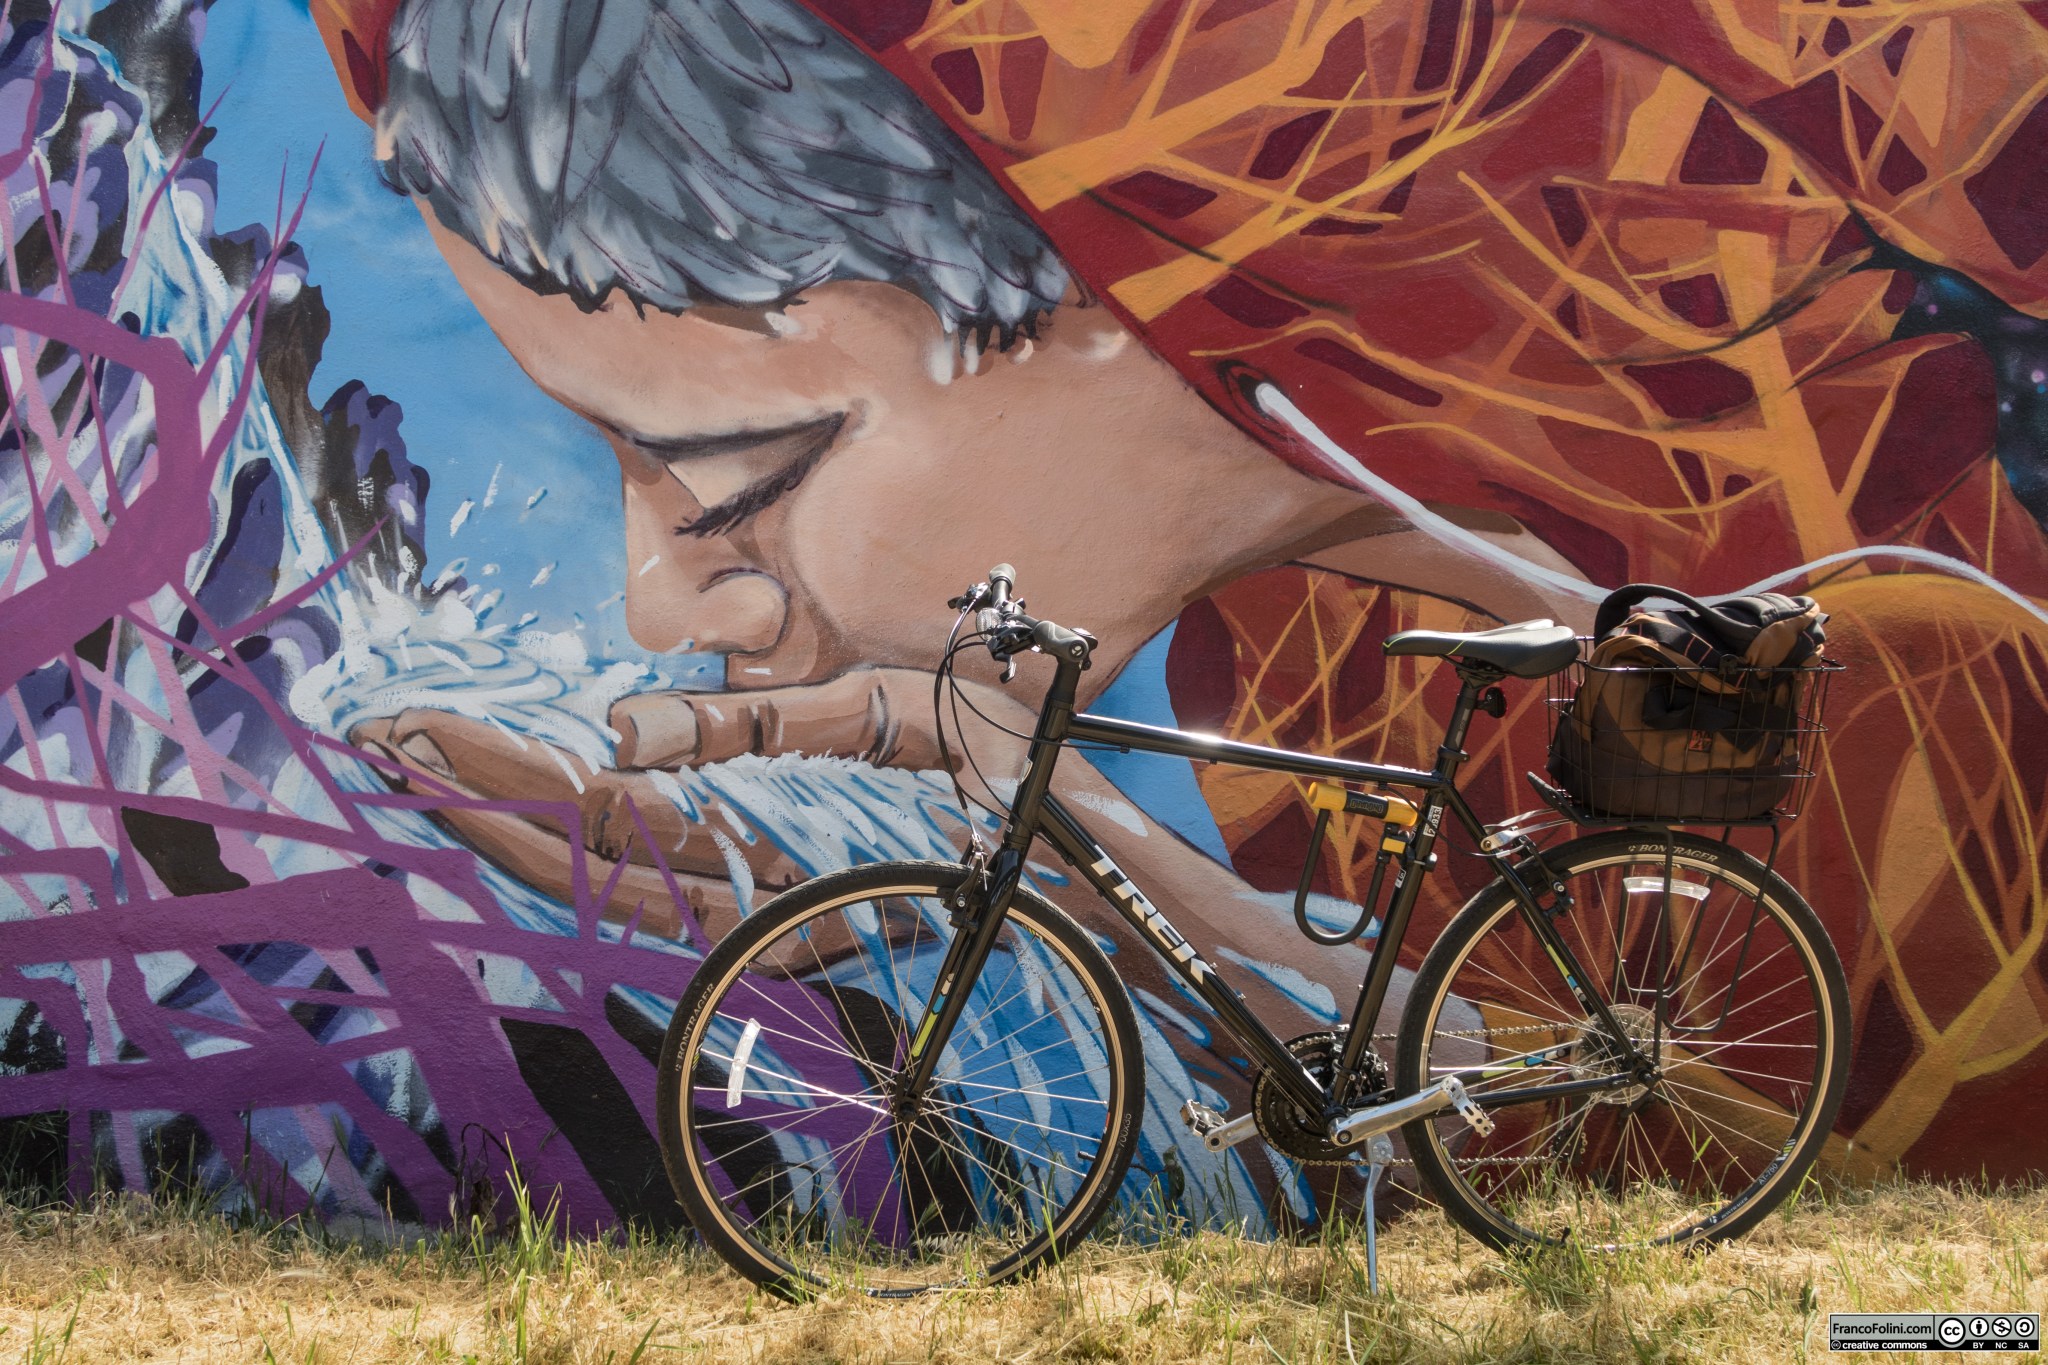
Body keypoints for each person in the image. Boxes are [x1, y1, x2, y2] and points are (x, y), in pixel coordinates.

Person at [324, 0, 2048, 1184]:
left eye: (747, 477)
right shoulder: (1285, 654)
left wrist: (1096, 845)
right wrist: (956, 884)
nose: (660, 600)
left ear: (1115, 282)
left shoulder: (1916, 692)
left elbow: (1677, 1171)